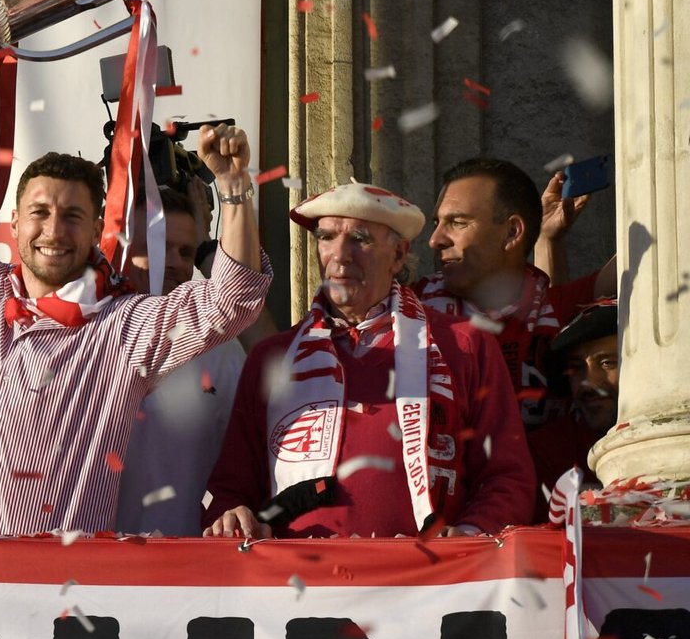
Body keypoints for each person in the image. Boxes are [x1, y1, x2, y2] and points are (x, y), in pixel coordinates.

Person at [0, 102, 272, 536]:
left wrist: (232, 184)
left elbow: (233, 298)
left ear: (96, 232)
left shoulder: (124, 327)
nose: (54, 231)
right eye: (40, 213)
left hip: (54, 591)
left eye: (73, 217)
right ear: (14, 224)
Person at [203, 182, 535, 539]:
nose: (340, 255)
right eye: (326, 237)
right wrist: (232, 516)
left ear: (398, 255)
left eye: (359, 239)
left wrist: (471, 535)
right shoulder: (272, 358)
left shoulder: (465, 345)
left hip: (431, 585)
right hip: (300, 585)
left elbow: (508, 478)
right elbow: (230, 489)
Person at [417, 158, 617, 427]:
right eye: (437, 222)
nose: (435, 240)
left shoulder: (554, 307)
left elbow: (646, 258)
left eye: (458, 222)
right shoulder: (407, 306)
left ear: (512, 232)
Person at [114, 186, 247, 535]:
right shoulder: (83, 336)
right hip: (92, 564)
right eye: (157, 248)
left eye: (185, 251)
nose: (173, 262)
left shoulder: (224, 350)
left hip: (190, 567)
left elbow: (246, 465)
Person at [527, 301, 618, 518]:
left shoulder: (678, 434)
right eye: (576, 368)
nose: (588, 383)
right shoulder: (547, 450)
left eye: (607, 363)